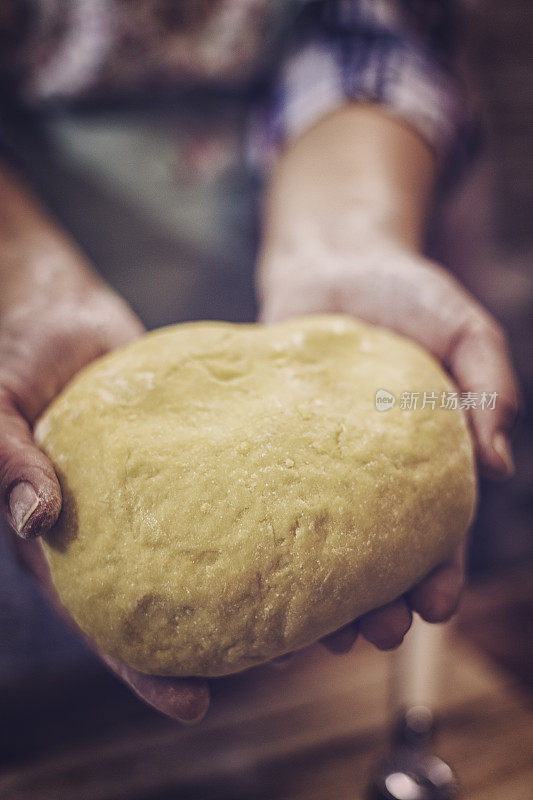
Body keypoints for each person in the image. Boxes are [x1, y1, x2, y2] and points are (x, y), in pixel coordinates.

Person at [0, 0, 519, 722]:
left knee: (315, 717)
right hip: (26, 315)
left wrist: (342, 241)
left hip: (320, 191)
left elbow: (374, 29)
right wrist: (17, 281)